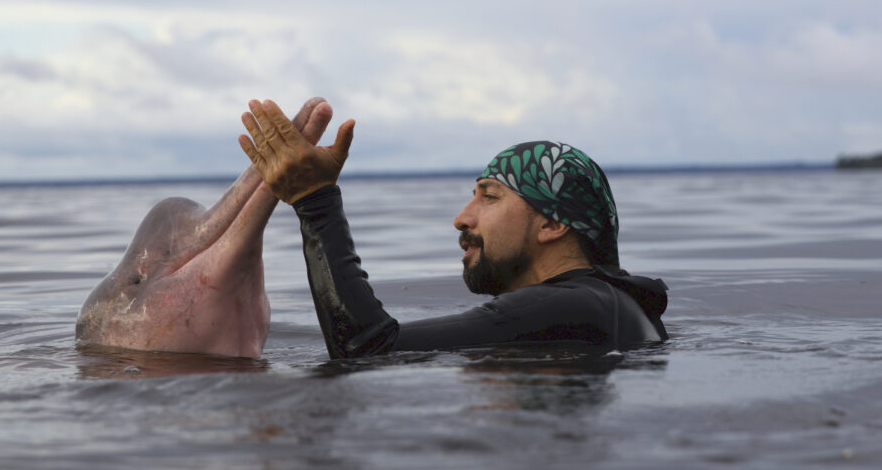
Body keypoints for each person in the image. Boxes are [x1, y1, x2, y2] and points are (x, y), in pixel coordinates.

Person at [239, 99, 668, 359]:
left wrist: (315, 201)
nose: (462, 217)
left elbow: (367, 350)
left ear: (553, 223)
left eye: (490, 196)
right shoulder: (612, 306)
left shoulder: (566, 306)